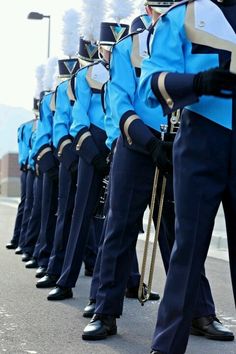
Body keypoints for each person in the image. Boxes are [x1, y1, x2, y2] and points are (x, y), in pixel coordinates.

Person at [82, 0, 234, 344]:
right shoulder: (126, 46)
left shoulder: (199, 23)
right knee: (120, 226)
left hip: (180, 141)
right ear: (147, 8)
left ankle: (200, 312)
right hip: (136, 145)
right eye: (157, 5)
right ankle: (105, 309)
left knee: (181, 234)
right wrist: (149, 143)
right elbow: (120, 101)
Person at [139, 0, 236, 352]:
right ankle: (165, 348)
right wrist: (196, 82)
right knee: (188, 251)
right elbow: (149, 83)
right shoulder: (183, 15)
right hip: (200, 140)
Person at [6, 119, 34, 251]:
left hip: (37, 166)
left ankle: (24, 241)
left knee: (33, 206)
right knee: (26, 204)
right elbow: (24, 149)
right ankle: (18, 239)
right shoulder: (26, 126)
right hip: (28, 168)